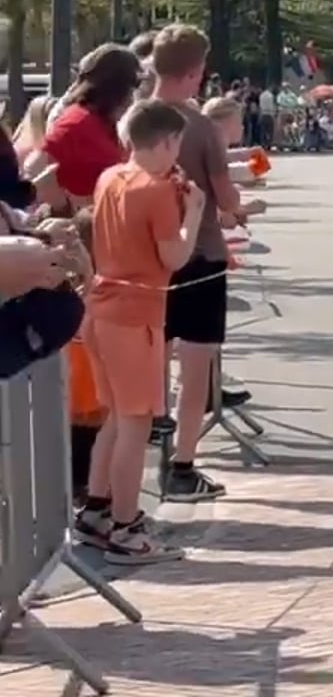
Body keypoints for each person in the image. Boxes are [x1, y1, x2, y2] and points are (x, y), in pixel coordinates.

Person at [72, 99, 203, 563]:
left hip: (102, 306)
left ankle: (97, 509)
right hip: (136, 315)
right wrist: (194, 212)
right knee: (136, 423)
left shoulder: (112, 176)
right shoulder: (157, 190)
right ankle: (126, 529)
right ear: (167, 141)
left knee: (114, 416)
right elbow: (174, 257)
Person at [149, 25, 244, 503]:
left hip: (148, 257)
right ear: (194, 72)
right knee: (195, 365)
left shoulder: (134, 119)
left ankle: (146, 459)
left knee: (152, 359)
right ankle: (183, 465)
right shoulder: (201, 126)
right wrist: (238, 203)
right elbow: (225, 197)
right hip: (200, 255)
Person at [42, 44, 143, 207]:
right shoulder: (77, 123)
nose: (132, 101)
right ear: (113, 89)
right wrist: (66, 209)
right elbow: (35, 169)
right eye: (130, 91)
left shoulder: (103, 124)